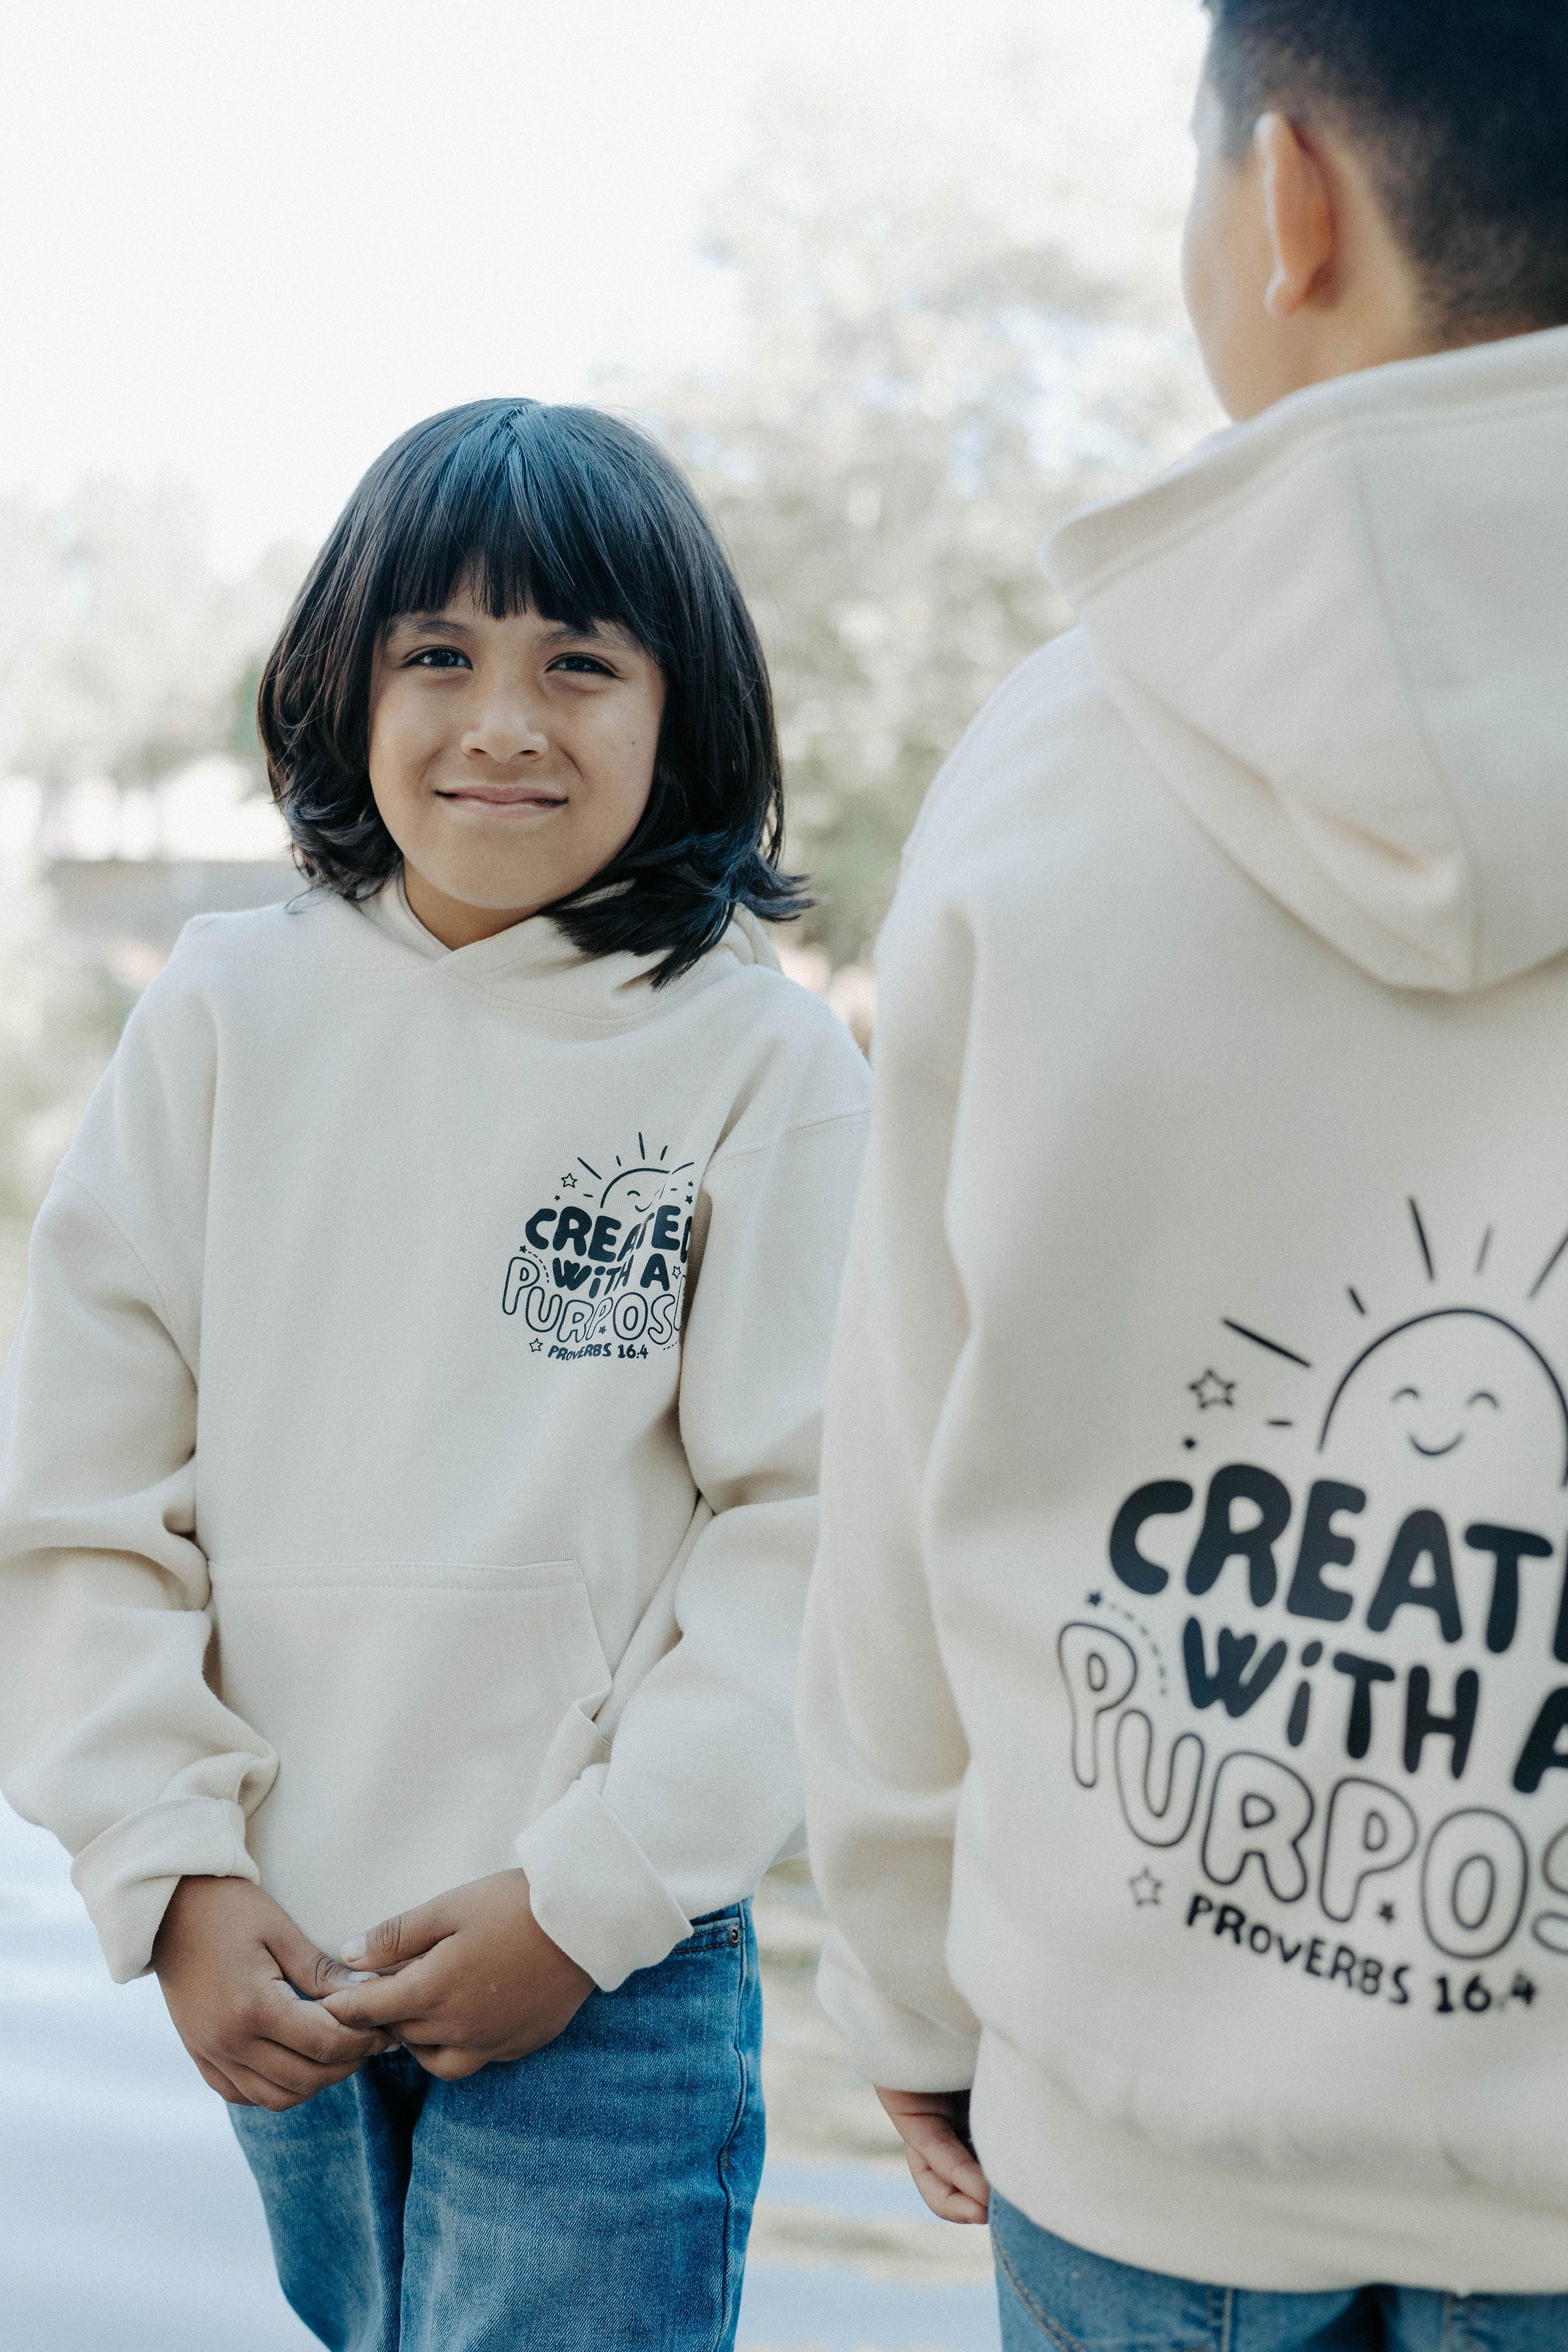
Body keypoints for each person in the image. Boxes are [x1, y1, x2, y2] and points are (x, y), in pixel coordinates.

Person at [798, 3, 1568, 2345]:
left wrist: (916, 1987)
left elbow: (906, 1464)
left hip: (1143, 2136)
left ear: (1292, 201)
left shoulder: (1055, 762)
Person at [0, 398, 870, 2352]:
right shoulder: (224, 1015)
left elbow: (809, 1526)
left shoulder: (758, 1064)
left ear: (688, 713)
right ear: (344, 685)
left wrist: (589, 1896)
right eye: (441, 655)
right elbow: (78, 1503)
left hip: (602, 1966)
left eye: (581, 662)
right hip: (274, 1949)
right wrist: (171, 1867)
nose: (506, 720)